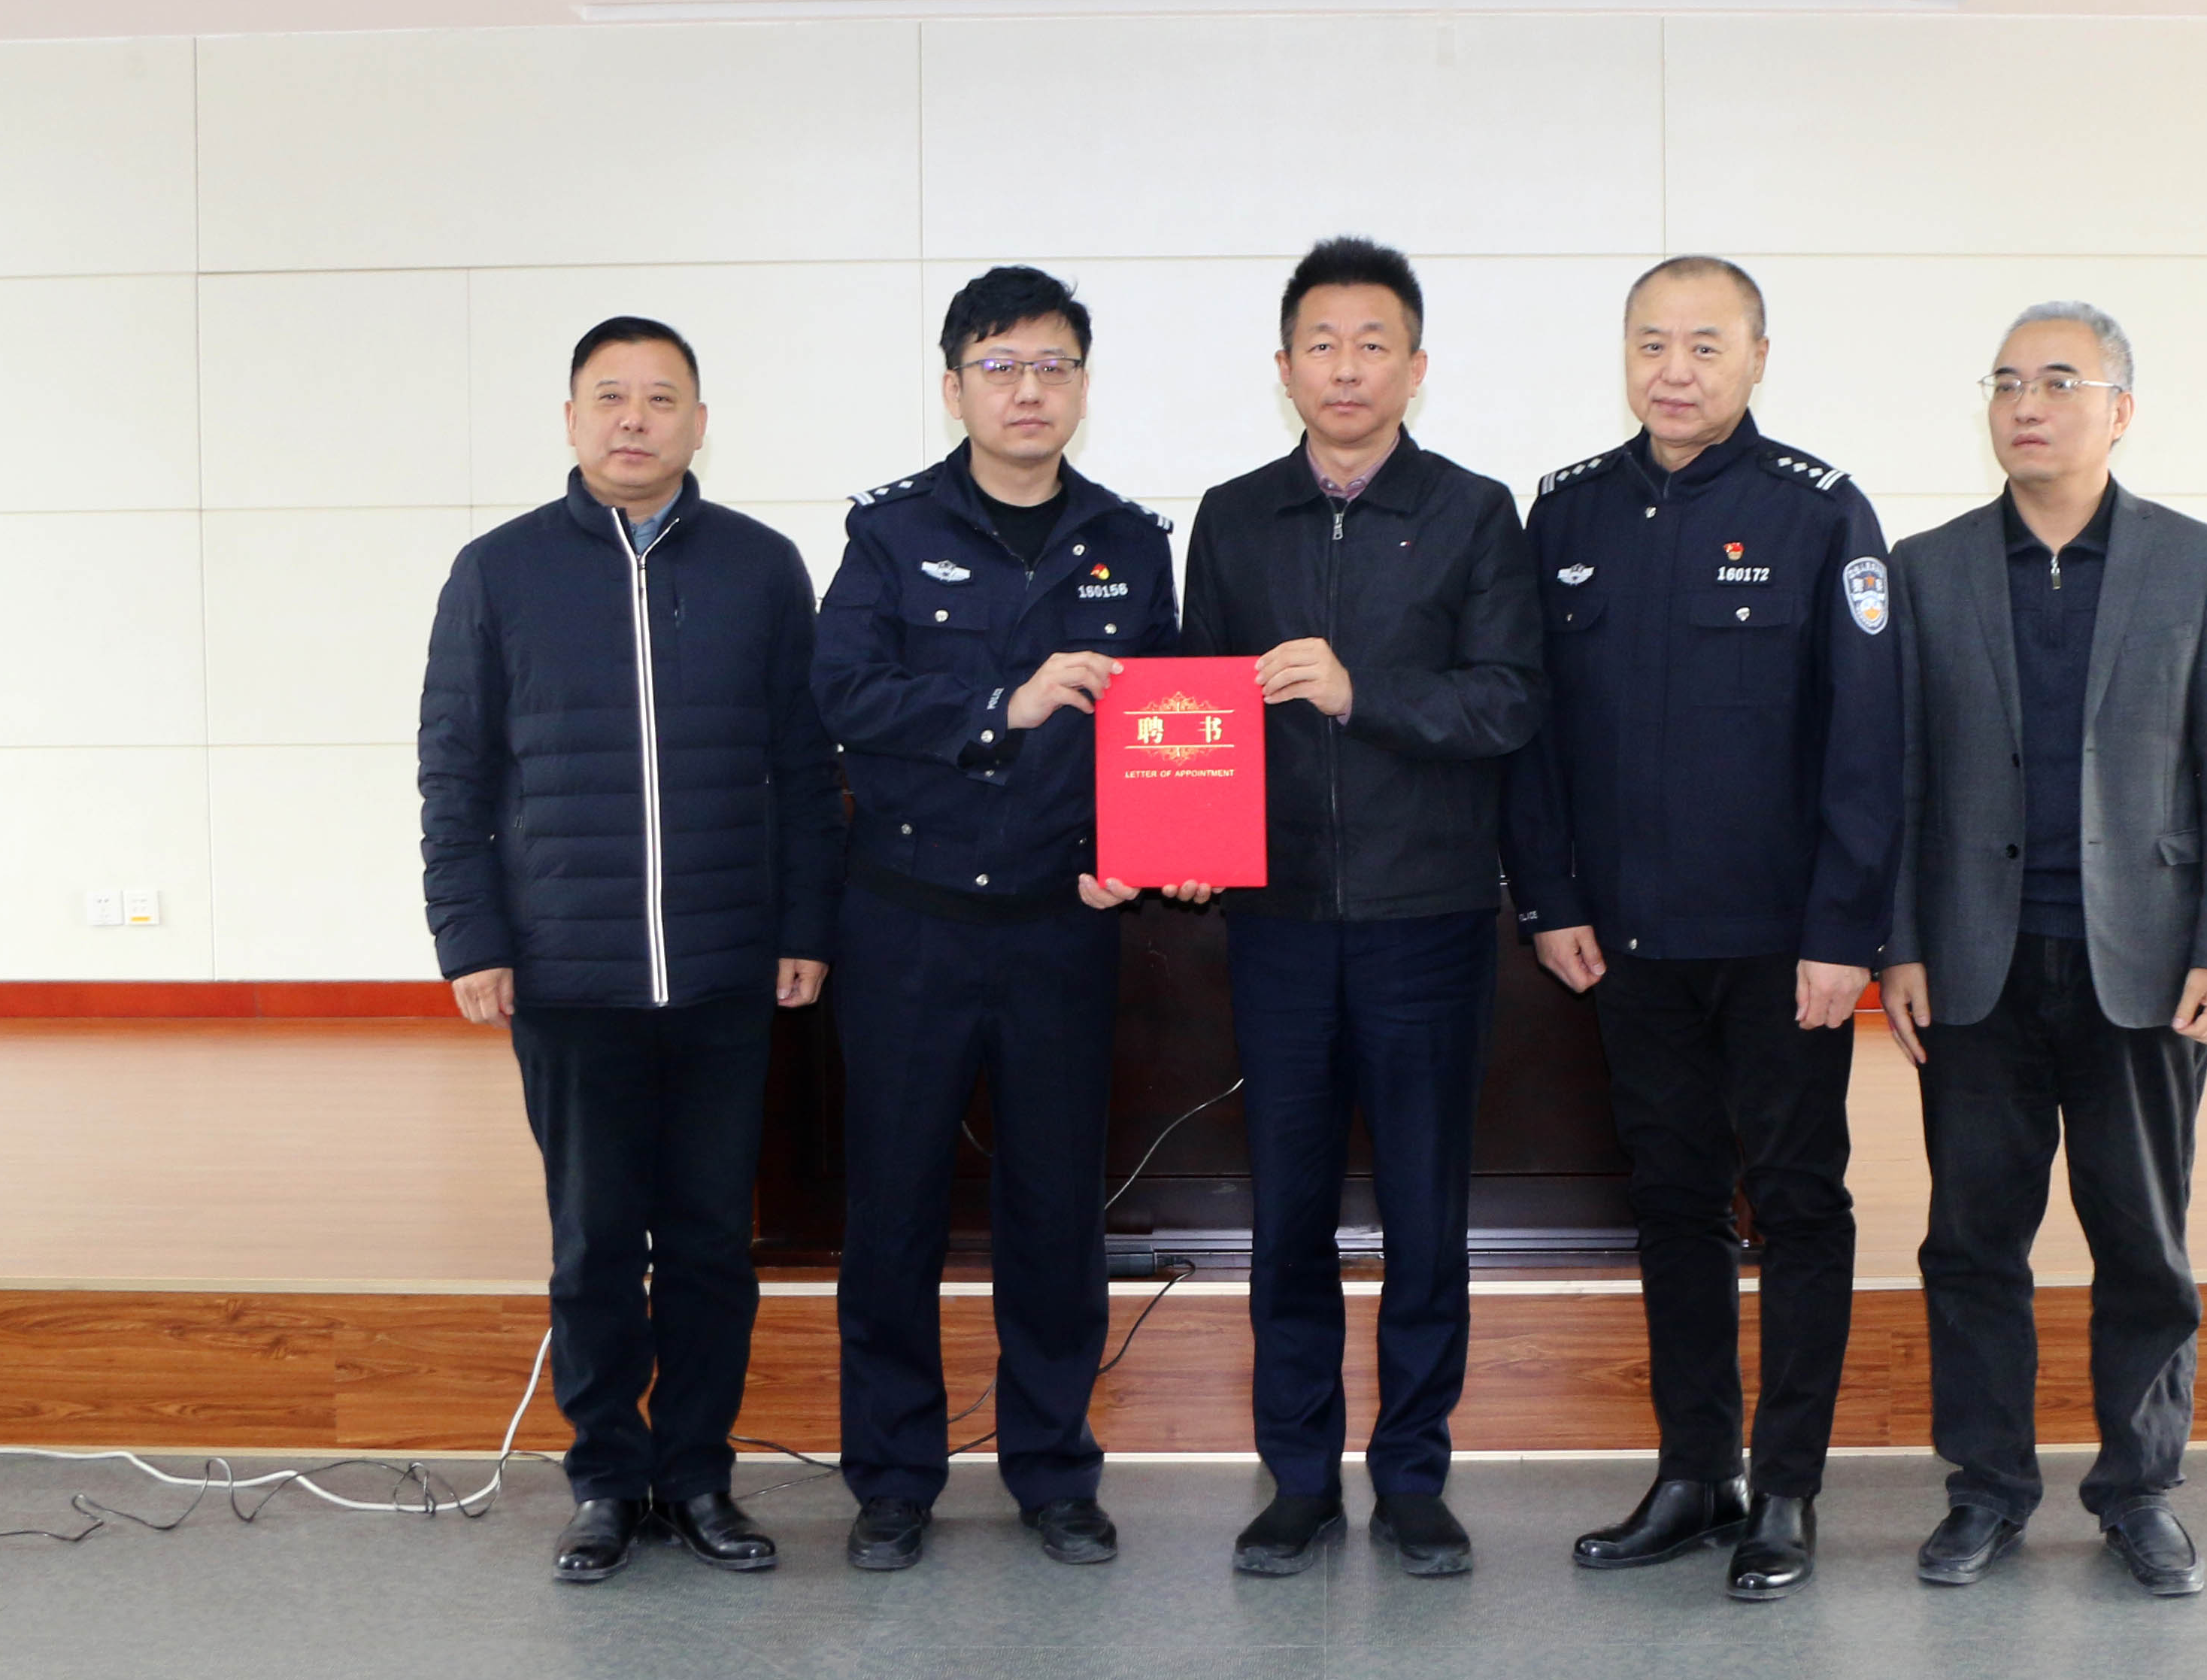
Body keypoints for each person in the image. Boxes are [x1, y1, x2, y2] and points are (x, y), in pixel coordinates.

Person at [419, 314, 847, 1584]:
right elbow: (454, 771)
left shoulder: (762, 568)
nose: (634, 419)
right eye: (610, 396)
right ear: (570, 419)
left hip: (726, 970)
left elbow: (804, 765)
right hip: (570, 975)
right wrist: (471, 935)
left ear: (699, 423)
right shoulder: (499, 572)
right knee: (596, 1244)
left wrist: (805, 925)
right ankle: (607, 1480)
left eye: (662, 398)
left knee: (712, 1243)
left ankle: (699, 1476)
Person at [1504, 256, 1901, 1600]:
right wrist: (1551, 898)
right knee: (1671, 1205)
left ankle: (1785, 1487)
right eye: (1651, 343)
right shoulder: (1568, 510)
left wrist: (1845, 931)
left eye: (1706, 345)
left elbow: (1867, 740)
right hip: (1627, 944)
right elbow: (1534, 732)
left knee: (1797, 1204)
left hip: (1782, 947)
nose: (1675, 371)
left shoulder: (1820, 511)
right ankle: (1694, 1472)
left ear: (1758, 358)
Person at [1878, 302, 2207, 1599]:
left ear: (2120, 411)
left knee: (2143, 1246)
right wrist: (1899, 944)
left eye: (2057, 382)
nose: (2026, 405)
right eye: (2005, 382)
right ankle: (1985, 1489)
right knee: (1971, 1244)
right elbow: (1897, 774)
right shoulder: (1928, 568)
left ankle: (2139, 1492)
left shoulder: (2195, 562)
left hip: (2143, 967)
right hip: (1974, 966)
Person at [1177, 236, 1543, 1580]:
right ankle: (1296, 1481)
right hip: (1276, 925)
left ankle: (1414, 1478)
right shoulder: (1233, 518)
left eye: (1373, 343)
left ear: (1416, 366)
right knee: (1287, 1212)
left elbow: (1508, 702)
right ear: (1283, 368)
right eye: (1322, 344)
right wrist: (1185, 834)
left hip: (1426, 920)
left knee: (1426, 1213)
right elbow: (1194, 708)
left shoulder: (1472, 514)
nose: (1347, 367)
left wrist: (1359, 693)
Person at [811, 267, 1180, 1573]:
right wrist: (1000, 707)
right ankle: (893, 1481)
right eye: (1002, 366)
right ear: (954, 384)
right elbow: (843, 694)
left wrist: (1144, 849)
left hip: (1058, 927)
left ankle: (1055, 1473)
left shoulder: (1131, 540)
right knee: (893, 1212)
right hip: (906, 925)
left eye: (1054, 366)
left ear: (1083, 384)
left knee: (1055, 1216)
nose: (1030, 390)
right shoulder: (891, 533)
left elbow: (1163, 727)